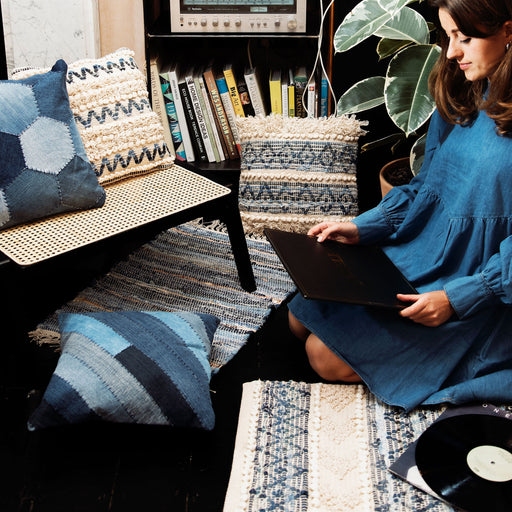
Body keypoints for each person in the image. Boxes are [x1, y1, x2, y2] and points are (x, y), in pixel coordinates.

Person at [288, 0, 512, 411]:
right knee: (298, 318)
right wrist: (364, 226)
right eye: (448, 37)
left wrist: (459, 298)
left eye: (464, 38)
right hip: (425, 253)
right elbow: (427, 187)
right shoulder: (461, 88)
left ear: (508, 32)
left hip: (485, 285)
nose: (452, 53)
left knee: (322, 356)